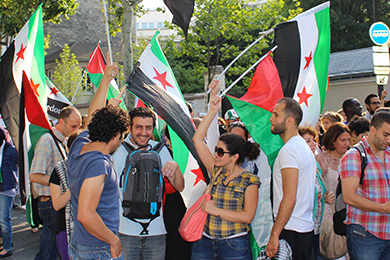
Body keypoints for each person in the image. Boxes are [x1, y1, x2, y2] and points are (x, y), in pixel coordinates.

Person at [191, 80, 260, 260]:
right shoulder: (216, 171)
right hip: (204, 242)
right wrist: (213, 109)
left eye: (220, 152)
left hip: (234, 245)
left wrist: (215, 211)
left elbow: (247, 217)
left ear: (235, 156)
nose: (216, 154)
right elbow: (198, 140)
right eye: (216, 150)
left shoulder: (249, 180)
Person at [67, 60, 130, 260]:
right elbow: (85, 214)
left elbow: (93, 117)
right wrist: (113, 240)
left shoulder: (81, 144)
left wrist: (105, 79)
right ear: (116, 135)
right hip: (98, 248)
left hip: (81, 243)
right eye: (123, 135)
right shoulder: (98, 164)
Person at [112, 107, 184, 260]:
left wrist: (175, 167)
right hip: (124, 231)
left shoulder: (161, 150)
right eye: (138, 127)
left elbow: (180, 186)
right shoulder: (116, 150)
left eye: (148, 128)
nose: (144, 133)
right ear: (129, 127)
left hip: (157, 231)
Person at [266, 97, 316, 260]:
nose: (271, 118)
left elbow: (289, 198)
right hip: (301, 229)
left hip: (291, 230)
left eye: (276, 115)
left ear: (289, 121)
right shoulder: (300, 146)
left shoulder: (290, 150)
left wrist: (275, 234)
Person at [30, 106, 81, 260]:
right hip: (50, 203)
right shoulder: (47, 141)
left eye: (78, 126)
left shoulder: (62, 141)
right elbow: (34, 175)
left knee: (53, 249)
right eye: (73, 126)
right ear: (61, 122)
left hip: (56, 202)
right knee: (49, 251)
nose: (76, 130)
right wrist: (61, 184)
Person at [340, 109, 390, 260]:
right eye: (386, 135)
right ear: (373, 130)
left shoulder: (388, 153)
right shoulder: (354, 155)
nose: (388, 140)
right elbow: (348, 197)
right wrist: (383, 208)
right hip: (365, 232)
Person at [299, 126, 335, 260]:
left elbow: (319, 191)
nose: (313, 144)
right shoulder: (297, 167)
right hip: (303, 227)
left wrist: (325, 197)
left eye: (313, 140)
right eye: (308, 141)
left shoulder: (315, 164)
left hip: (317, 226)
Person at [49, 130, 81, 260]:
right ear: (68, 149)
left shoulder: (94, 167)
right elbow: (56, 205)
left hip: (91, 231)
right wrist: (72, 188)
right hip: (66, 230)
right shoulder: (59, 170)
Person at [0, 127, 18, 258]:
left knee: (4, 219)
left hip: (7, 188)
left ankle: (7, 247)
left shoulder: (11, 150)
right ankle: (4, 243)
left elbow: (21, 165)